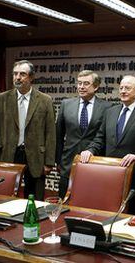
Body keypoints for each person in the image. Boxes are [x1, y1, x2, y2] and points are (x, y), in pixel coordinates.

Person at [80, 75, 135, 215]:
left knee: (133, 220)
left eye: (128, 88)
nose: (123, 91)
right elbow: (100, 138)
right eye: (121, 88)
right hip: (111, 176)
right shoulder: (110, 112)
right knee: (109, 215)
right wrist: (90, 150)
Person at [0, 60, 56, 200]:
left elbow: (50, 134)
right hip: (9, 154)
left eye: (22, 74)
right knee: (4, 197)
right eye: (15, 74)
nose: (17, 77)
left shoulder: (45, 100)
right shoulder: (2, 99)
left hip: (36, 158)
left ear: (31, 77)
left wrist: (49, 162)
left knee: (34, 200)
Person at [55, 70, 112, 199]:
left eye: (86, 83)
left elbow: (106, 137)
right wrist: (58, 160)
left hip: (95, 163)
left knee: (91, 199)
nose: (81, 87)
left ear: (96, 86)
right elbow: (58, 134)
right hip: (68, 162)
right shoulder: (66, 104)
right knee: (64, 200)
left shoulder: (107, 107)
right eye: (79, 83)